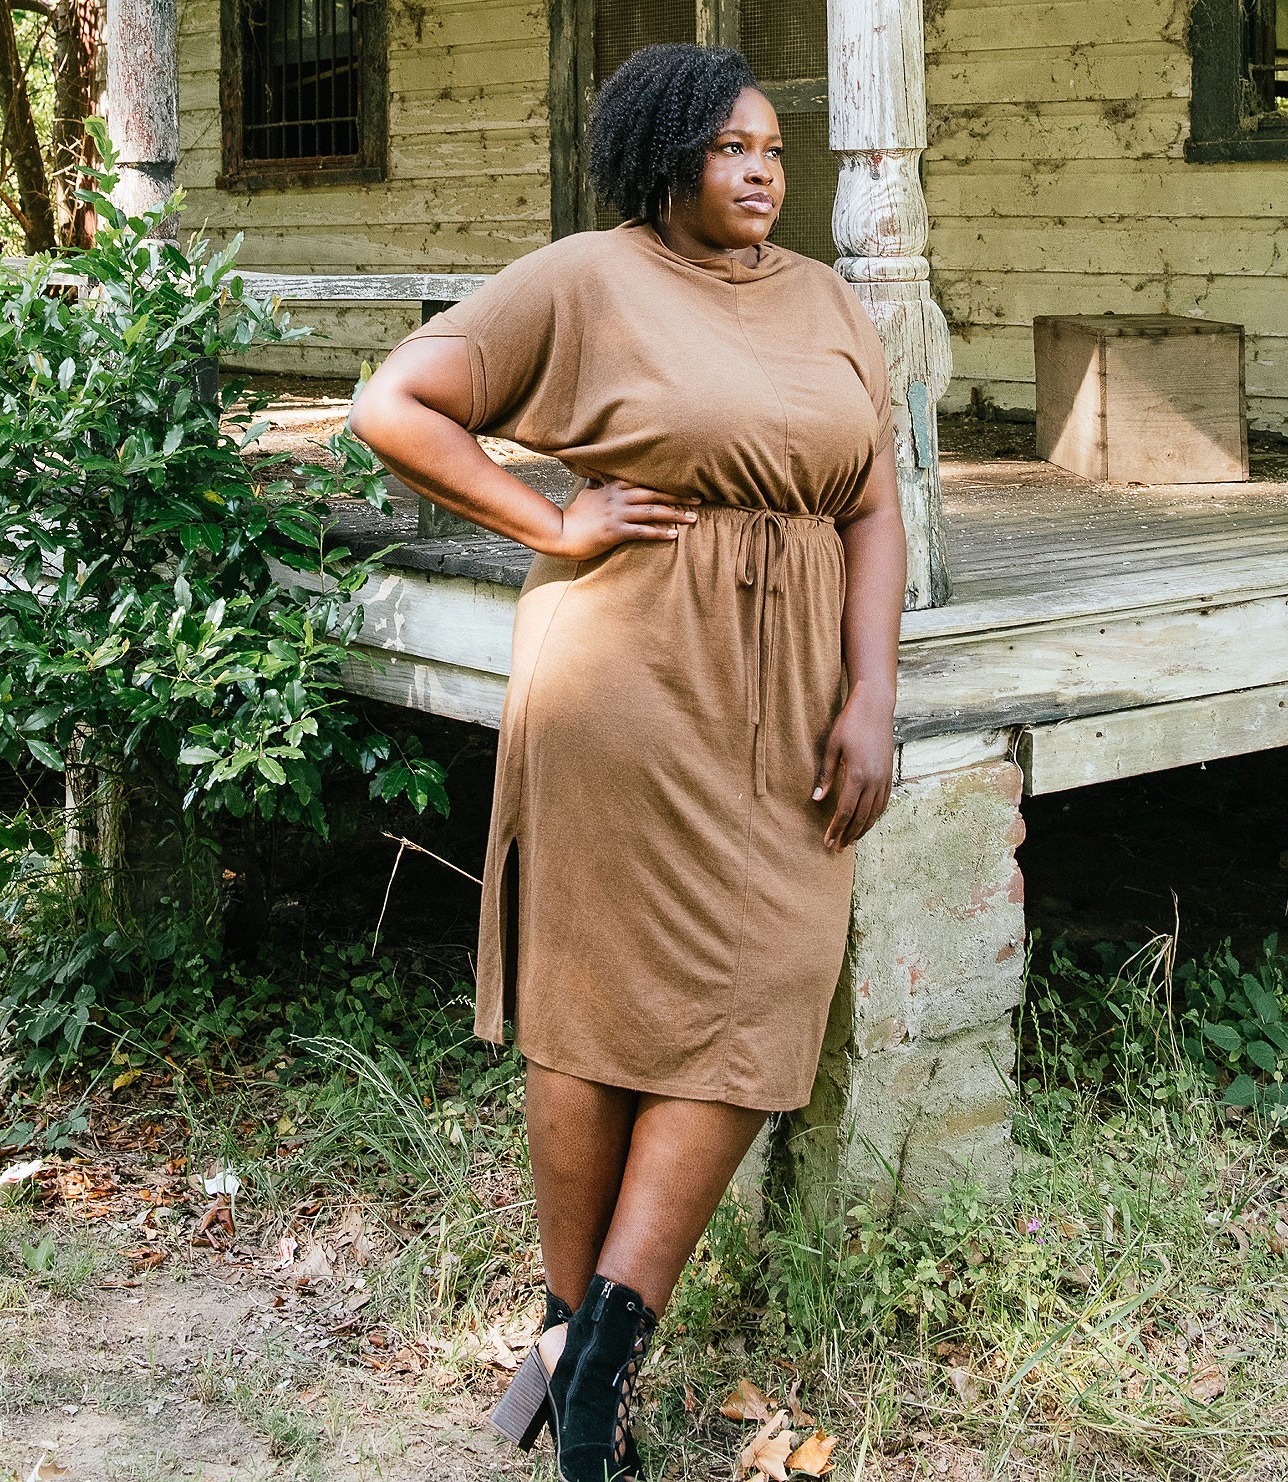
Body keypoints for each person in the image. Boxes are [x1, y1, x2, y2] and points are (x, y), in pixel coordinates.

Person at [347, 41, 906, 1481]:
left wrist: (873, 695)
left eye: (775, 146)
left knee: (773, 974)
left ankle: (584, 1331)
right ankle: (589, 1371)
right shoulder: (585, 280)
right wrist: (550, 523)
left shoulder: (830, 302)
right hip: (628, 673)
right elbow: (394, 401)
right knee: (594, 997)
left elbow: (872, 506)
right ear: (666, 157)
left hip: (791, 691)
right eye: (729, 147)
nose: (763, 168)